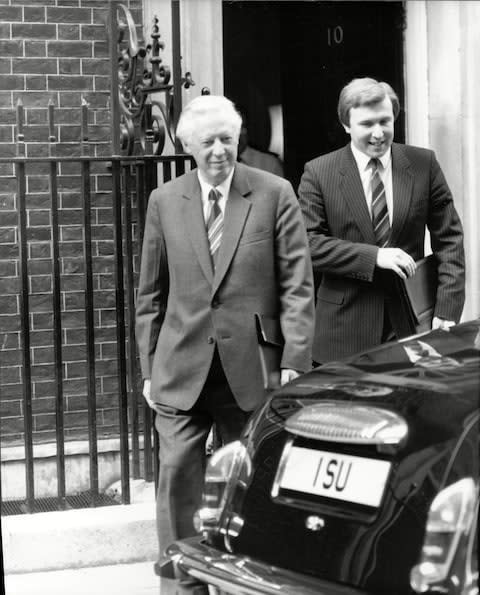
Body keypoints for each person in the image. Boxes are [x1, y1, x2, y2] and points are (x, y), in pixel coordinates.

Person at [135, 94, 314, 594]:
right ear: (188, 145)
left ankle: (241, 582)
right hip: (180, 365)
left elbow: (297, 284)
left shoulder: (274, 192)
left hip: (251, 369)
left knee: (247, 484)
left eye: (228, 139)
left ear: (240, 140)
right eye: (208, 141)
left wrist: (294, 361)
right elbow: (150, 292)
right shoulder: (165, 201)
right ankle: (183, 583)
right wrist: (148, 369)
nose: (219, 150)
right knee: (176, 476)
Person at [298, 77, 465, 364]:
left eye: (385, 121)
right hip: (343, 331)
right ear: (346, 124)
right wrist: (374, 257)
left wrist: (447, 312)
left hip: (413, 325)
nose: (378, 134)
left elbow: (450, 240)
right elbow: (308, 244)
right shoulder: (319, 172)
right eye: (366, 124)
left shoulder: (424, 164)